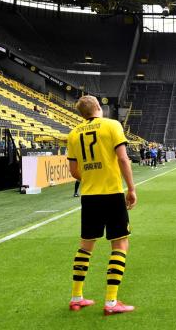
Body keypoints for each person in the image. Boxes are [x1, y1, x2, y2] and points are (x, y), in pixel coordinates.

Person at [65, 95, 136, 315]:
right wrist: (131, 189)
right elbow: (123, 159)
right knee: (120, 244)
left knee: (85, 246)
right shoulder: (112, 125)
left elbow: (74, 171)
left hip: (89, 196)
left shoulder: (73, 133)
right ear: (98, 107)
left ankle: (77, 297)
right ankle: (112, 302)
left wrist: (91, 176)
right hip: (112, 193)